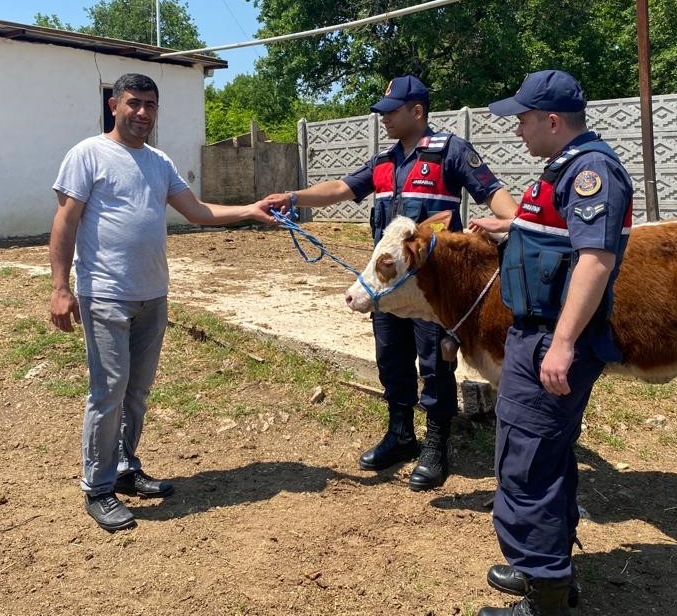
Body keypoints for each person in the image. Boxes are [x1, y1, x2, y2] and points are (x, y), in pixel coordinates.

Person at [264, 74, 516, 491]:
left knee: (436, 364)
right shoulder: (383, 162)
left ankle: (437, 445)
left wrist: (516, 223)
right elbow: (341, 189)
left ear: (417, 111)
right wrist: (293, 198)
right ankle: (400, 434)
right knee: (391, 358)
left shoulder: (450, 152)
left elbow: (493, 191)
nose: (383, 119)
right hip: (388, 285)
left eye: (391, 112)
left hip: (431, 292)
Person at [49, 72, 274, 533]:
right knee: (108, 390)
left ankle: (126, 468)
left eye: (151, 105)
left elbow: (198, 211)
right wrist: (60, 287)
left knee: (137, 391)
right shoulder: (88, 154)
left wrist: (250, 210)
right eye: (134, 103)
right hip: (105, 294)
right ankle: (97, 486)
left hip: (153, 295)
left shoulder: (158, 162)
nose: (143, 113)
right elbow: (65, 222)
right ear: (114, 105)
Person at [469, 70, 633, 616]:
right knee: (541, 455)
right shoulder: (562, 167)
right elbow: (559, 239)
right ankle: (550, 572)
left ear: (552, 120)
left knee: (529, 461)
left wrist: (562, 344)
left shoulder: (591, 171)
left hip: (549, 339)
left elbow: (596, 259)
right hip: (532, 333)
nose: (517, 128)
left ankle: (545, 599)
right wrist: (509, 230)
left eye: (523, 118)